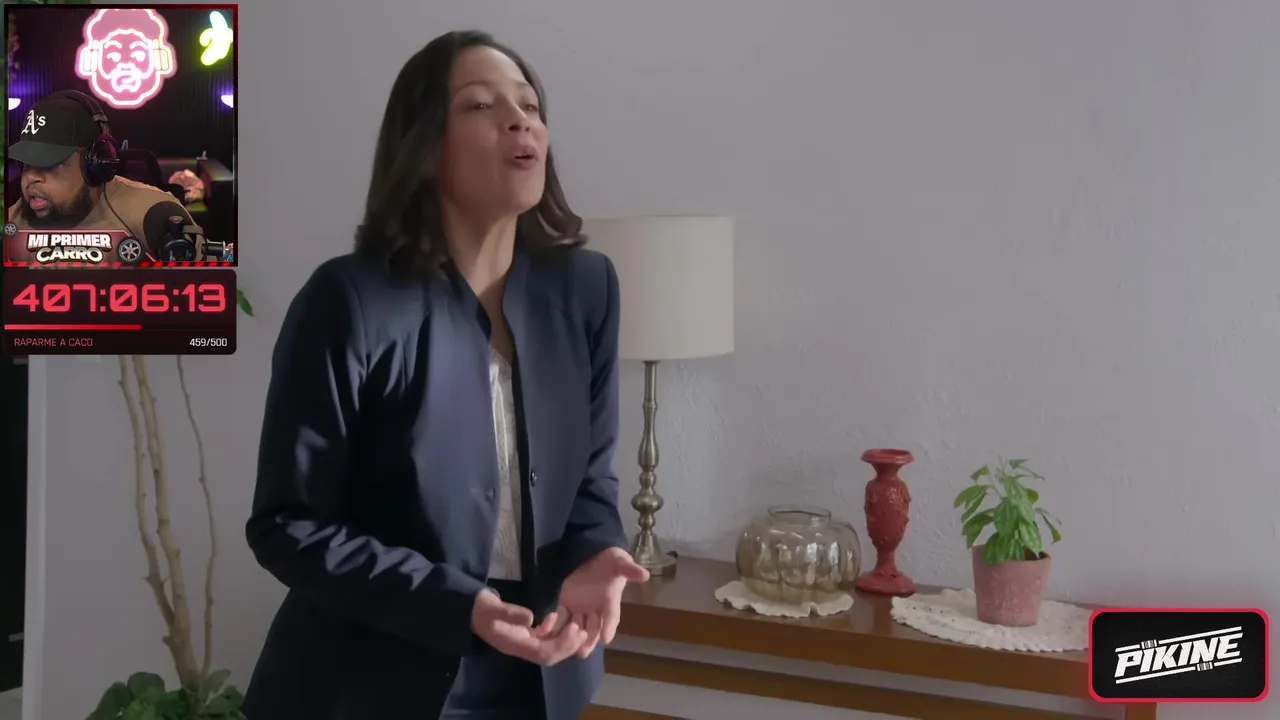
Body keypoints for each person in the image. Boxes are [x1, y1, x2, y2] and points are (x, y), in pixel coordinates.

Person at [243, 30, 650, 720]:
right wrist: (459, 606)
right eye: (481, 106)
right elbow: (289, 524)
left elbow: (589, 478)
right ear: (425, 146)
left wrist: (594, 551)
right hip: (369, 683)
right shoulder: (349, 301)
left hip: (543, 673)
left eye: (529, 106)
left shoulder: (586, 289)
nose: (520, 121)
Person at [6, 90, 200, 254]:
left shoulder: (155, 216)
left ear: (95, 163)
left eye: (49, 163)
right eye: (26, 164)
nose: (30, 177)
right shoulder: (11, 222)